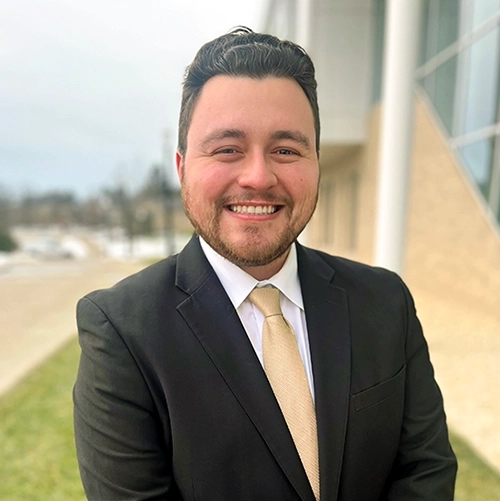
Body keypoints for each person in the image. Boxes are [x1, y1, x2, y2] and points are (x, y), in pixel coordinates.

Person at [73, 27, 457, 501]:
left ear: (316, 162)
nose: (258, 176)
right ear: (181, 169)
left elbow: (426, 471)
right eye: (227, 149)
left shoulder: (385, 301)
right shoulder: (122, 331)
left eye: (286, 150)